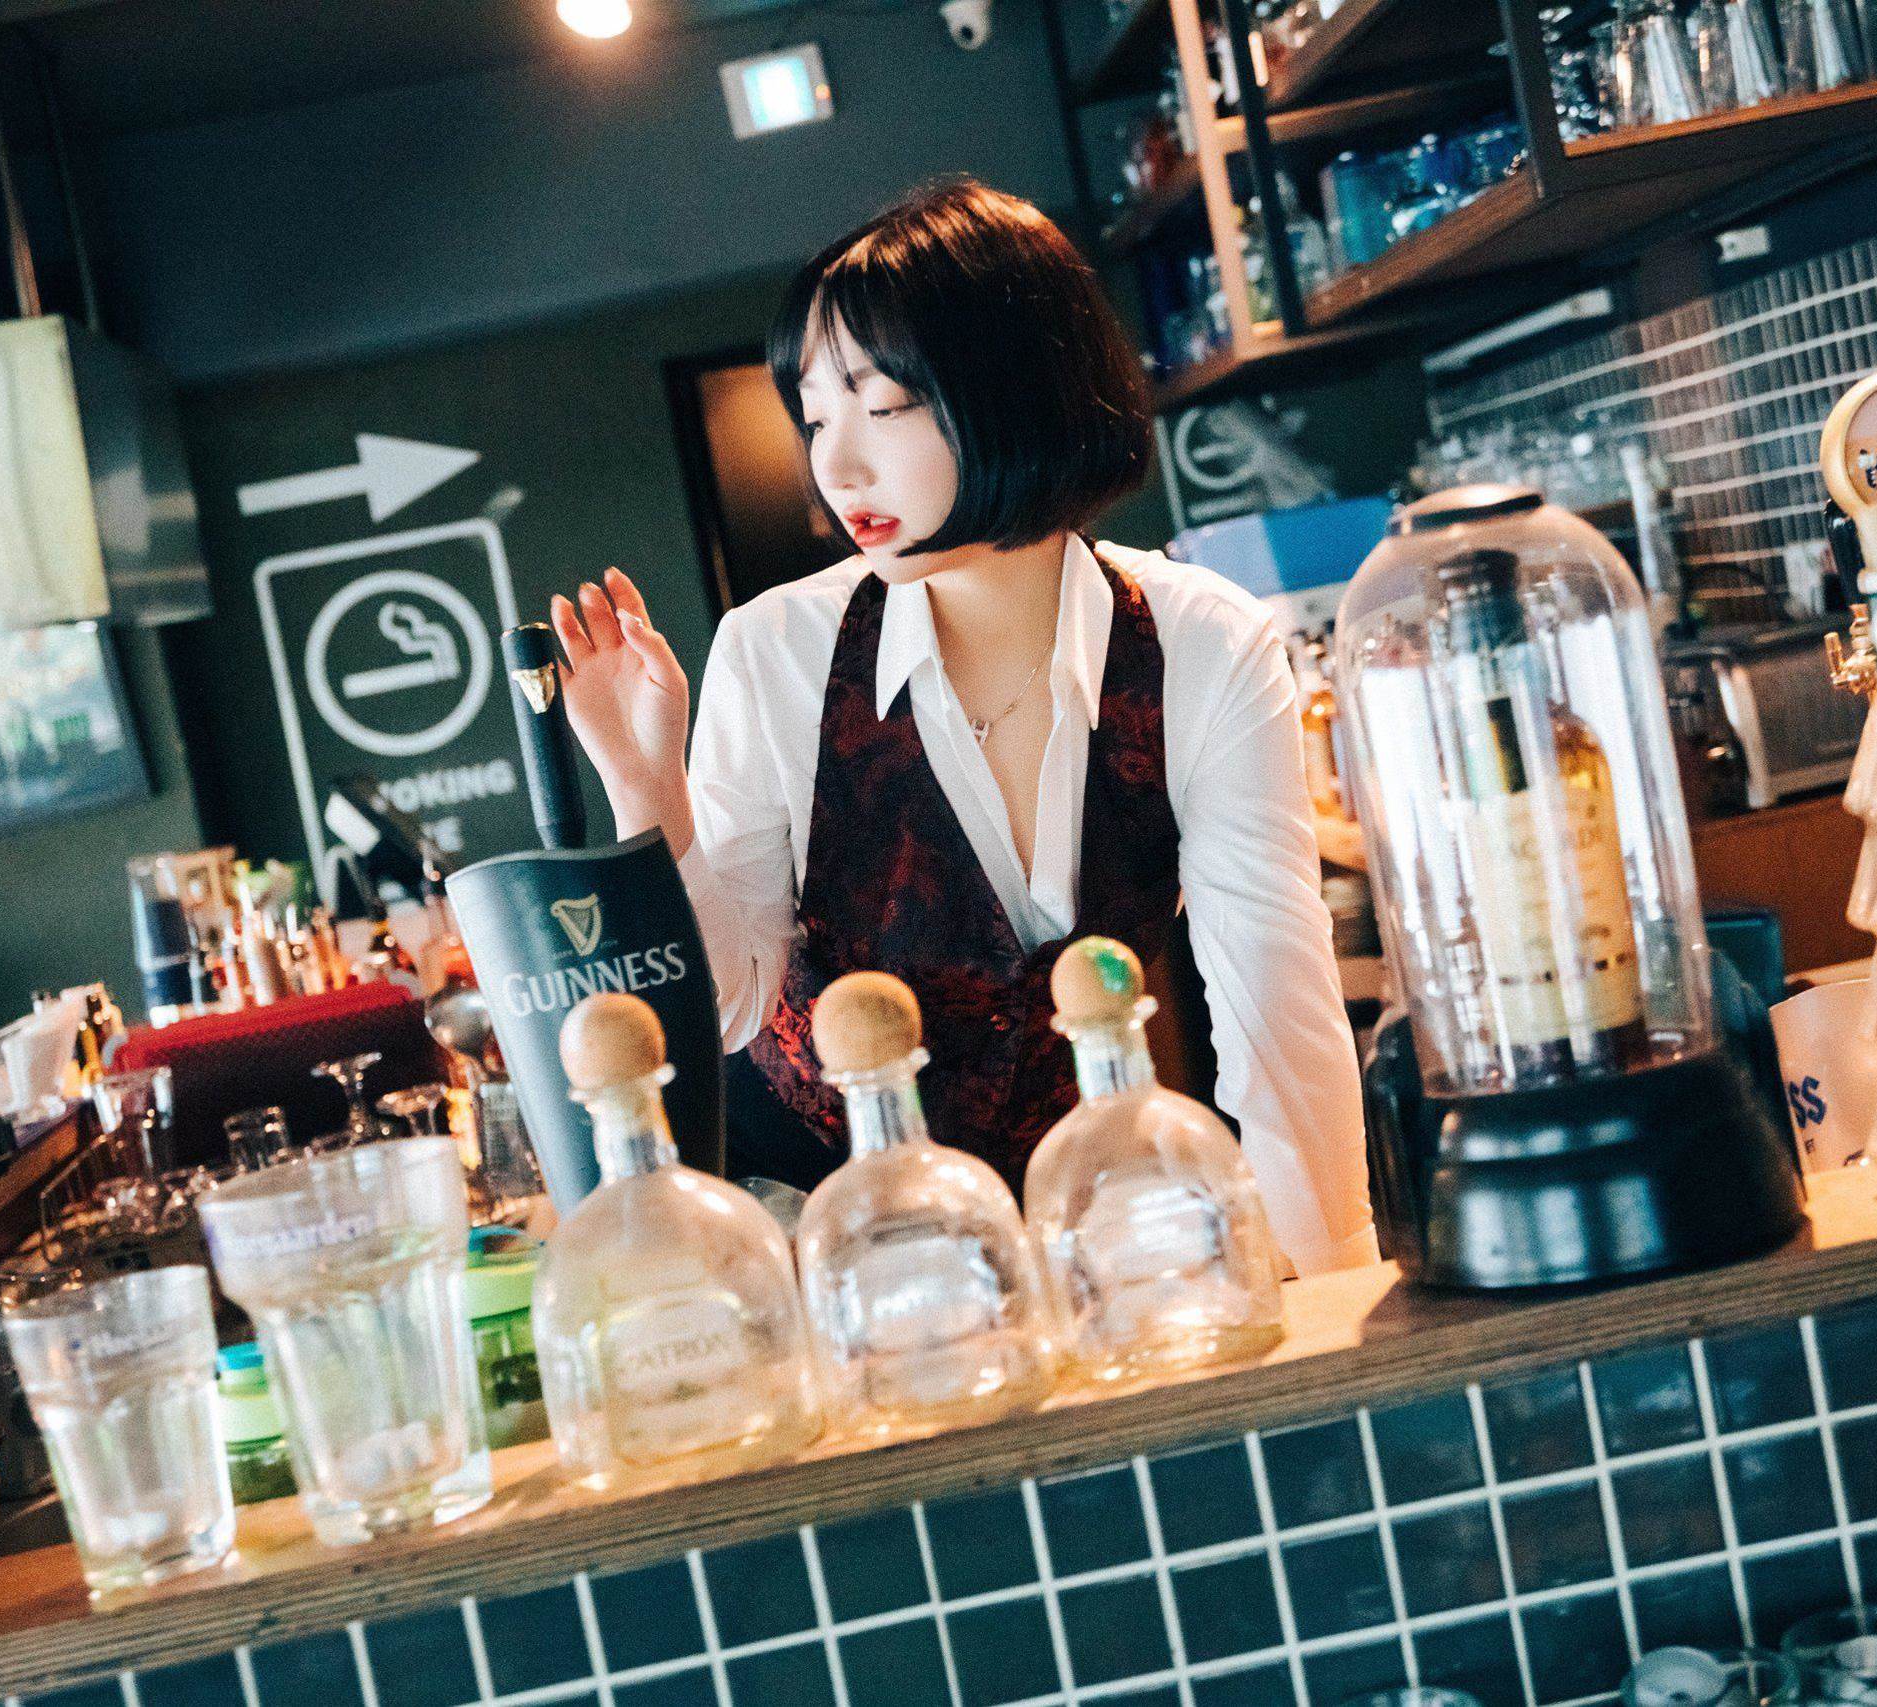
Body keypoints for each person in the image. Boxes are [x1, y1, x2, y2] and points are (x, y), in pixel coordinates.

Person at [549, 179, 1373, 1271]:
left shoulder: (1202, 642)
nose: (836, 467)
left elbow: (1277, 1006)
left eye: (882, 407)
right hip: (826, 1232)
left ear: (1014, 389)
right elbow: (734, 1005)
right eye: (816, 419)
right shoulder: (777, 650)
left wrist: (1334, 1286)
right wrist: (646, 785)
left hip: (1088, 1214)